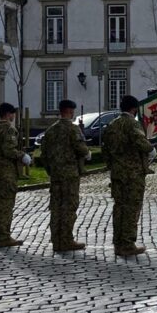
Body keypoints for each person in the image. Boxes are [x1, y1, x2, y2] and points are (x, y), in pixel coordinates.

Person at [103, 94, 153, 256]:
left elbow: (106, 150)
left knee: (119, 207)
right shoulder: (133, 124)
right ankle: (127, 244)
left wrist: (112, 166)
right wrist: (150, 148)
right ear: (134, 109)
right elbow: (140, 142)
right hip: (133, 173)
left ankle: (118, 242)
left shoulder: (112, 125)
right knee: (132, 208)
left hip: (117, 173)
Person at [40, 99, 91, 253]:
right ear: (70, 111)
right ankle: (66, 240)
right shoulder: (72, 129)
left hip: (56, 175)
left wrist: (51, 170)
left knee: (56, 207)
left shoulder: (50, 130)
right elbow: (80, 147)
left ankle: (56, 240)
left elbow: (44, 155)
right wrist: (87, 153)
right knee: (69, 207)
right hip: (70, 175)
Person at [0, 103, 32, 247]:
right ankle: (4, 237)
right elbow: (8, 150)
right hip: (6, 174)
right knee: (5, 206)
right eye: (13, 113)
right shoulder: (9, 130)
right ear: (8, 114)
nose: (14, 116)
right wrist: (22, 155)